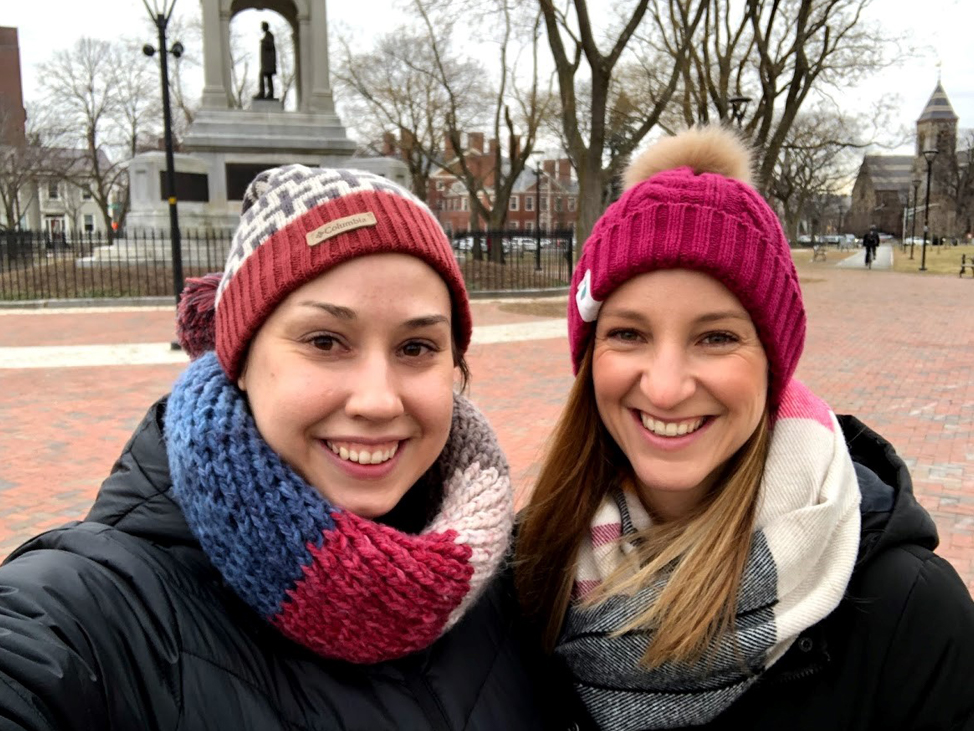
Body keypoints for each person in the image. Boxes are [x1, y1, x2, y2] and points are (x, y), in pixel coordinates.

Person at [0, 166, 549, 729]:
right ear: (239, 361)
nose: (380, 401)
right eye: (325, 341)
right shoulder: (98, 611)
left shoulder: (518, 578)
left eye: (416, 346)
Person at [516, 126, 974, 731]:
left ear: (772, 363)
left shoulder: (908, 611)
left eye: (716, 337)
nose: (666, 387)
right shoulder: (527, 570)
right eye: (628, 333)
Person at [257, 20, 276, 100]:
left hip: (268, 63)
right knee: (268, 77)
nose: (261, 28)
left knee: (263, 76)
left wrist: (263, 42)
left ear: (265, 27)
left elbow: (270, 46)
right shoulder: (268, 35)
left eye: (262, 26)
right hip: (266, 62)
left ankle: (263, 92)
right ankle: (269, 93)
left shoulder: (269, 36)